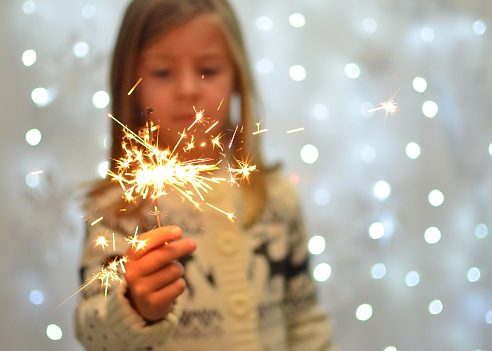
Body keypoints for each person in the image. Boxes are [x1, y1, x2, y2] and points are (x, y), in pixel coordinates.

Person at [74, 0, 336, 350]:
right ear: (131, 85)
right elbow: (92, 330)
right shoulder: (117, 212)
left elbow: (304, 321)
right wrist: (136, 308)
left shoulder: (274, 197)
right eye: (162, 72)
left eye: (208, 70)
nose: (187, 89)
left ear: (237, 79)